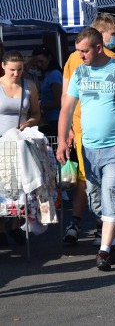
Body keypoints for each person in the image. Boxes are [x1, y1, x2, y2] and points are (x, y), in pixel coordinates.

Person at [56, 27, 115, 271]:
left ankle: (104, 251)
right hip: (88, 148)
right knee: (96, 200)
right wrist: (61, 140)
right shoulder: (79, 72)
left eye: (84, 51)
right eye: (78, 51)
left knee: (114, 193)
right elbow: (66, 109)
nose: (81, 56)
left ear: (98, 48)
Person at [0, 50, 40, 246]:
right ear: (3, 67)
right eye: (12, 70)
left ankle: (15, 225)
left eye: (20, 70)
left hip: (20, 141)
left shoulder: (29, 86)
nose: (16, 74)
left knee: (20, 186)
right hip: (1, 141)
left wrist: (28, 124)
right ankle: (1, 228)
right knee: (3, 186)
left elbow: (36, 114)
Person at [31, 46, 62, 137]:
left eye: (41, 61)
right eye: (36, 62)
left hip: (56, 120)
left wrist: (38, 107)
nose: (39, 64)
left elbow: (58, 101)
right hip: (50, 119)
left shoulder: (54, 74)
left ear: (49, 58)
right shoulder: (48, 74)